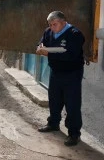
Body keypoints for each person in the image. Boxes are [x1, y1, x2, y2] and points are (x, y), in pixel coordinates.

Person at [36, 11, 85, 146]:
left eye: (54, 24)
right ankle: (53, 123)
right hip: (56, 72)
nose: (52, 27)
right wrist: (39, 47)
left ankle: (74, 134)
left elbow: (71, 55)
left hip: (72, 74)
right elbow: (41, 42)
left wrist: (49, 54)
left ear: (63, 22)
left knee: (72, 104)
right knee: (54, 100)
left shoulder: (75, 34)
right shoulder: (48, 32)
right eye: (50, 25)